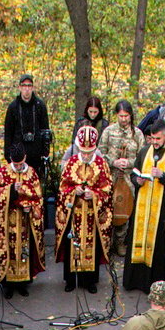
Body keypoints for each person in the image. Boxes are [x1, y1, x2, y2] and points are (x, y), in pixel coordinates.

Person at [124, 123, 165, 297]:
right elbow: (133, 174)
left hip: (161, 211)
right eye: (152, 138)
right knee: (136, 242)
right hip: (142, 207)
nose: (155, 142)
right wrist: (138, 181)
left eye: (158, 138)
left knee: (156, 247)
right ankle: (132, 281)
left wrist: (163, 176)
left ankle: (152, 284)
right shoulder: (144, 152)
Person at [59, 126, 115, 295]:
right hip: (74, 213)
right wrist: (73, 191)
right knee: (72, 244)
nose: (85, 156)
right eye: (83, 152)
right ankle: (70, 279)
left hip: (92, 215)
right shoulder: (72, 162)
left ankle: (90, 280)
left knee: (92, 246)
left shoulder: (101, 163)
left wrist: (95, 195)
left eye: (89, 153)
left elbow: (108, 189)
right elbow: (63, 187)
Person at [0, 157, 45, 296]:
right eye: (16, 164)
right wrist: (10, 189)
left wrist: (30, 207)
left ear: (25, 159)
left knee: (24, 250)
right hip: (8, 223)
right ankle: (8, 285)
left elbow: (38, 198)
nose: (19, 167)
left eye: (21, 164)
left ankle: (23, 283)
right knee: (10, 250)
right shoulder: (3, 173)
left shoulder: (32, 173)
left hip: (25, 222)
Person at [5, 74, 53, 166]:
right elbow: (8, 134)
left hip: (36, 155)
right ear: (19, 87)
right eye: (24, 85)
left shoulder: (40, 106)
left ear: (33, 88)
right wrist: (8, 156)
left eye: (29, 86)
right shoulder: (13, 107)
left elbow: (45, 130)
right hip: (18, 156)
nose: (26, 89)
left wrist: (45, 154)